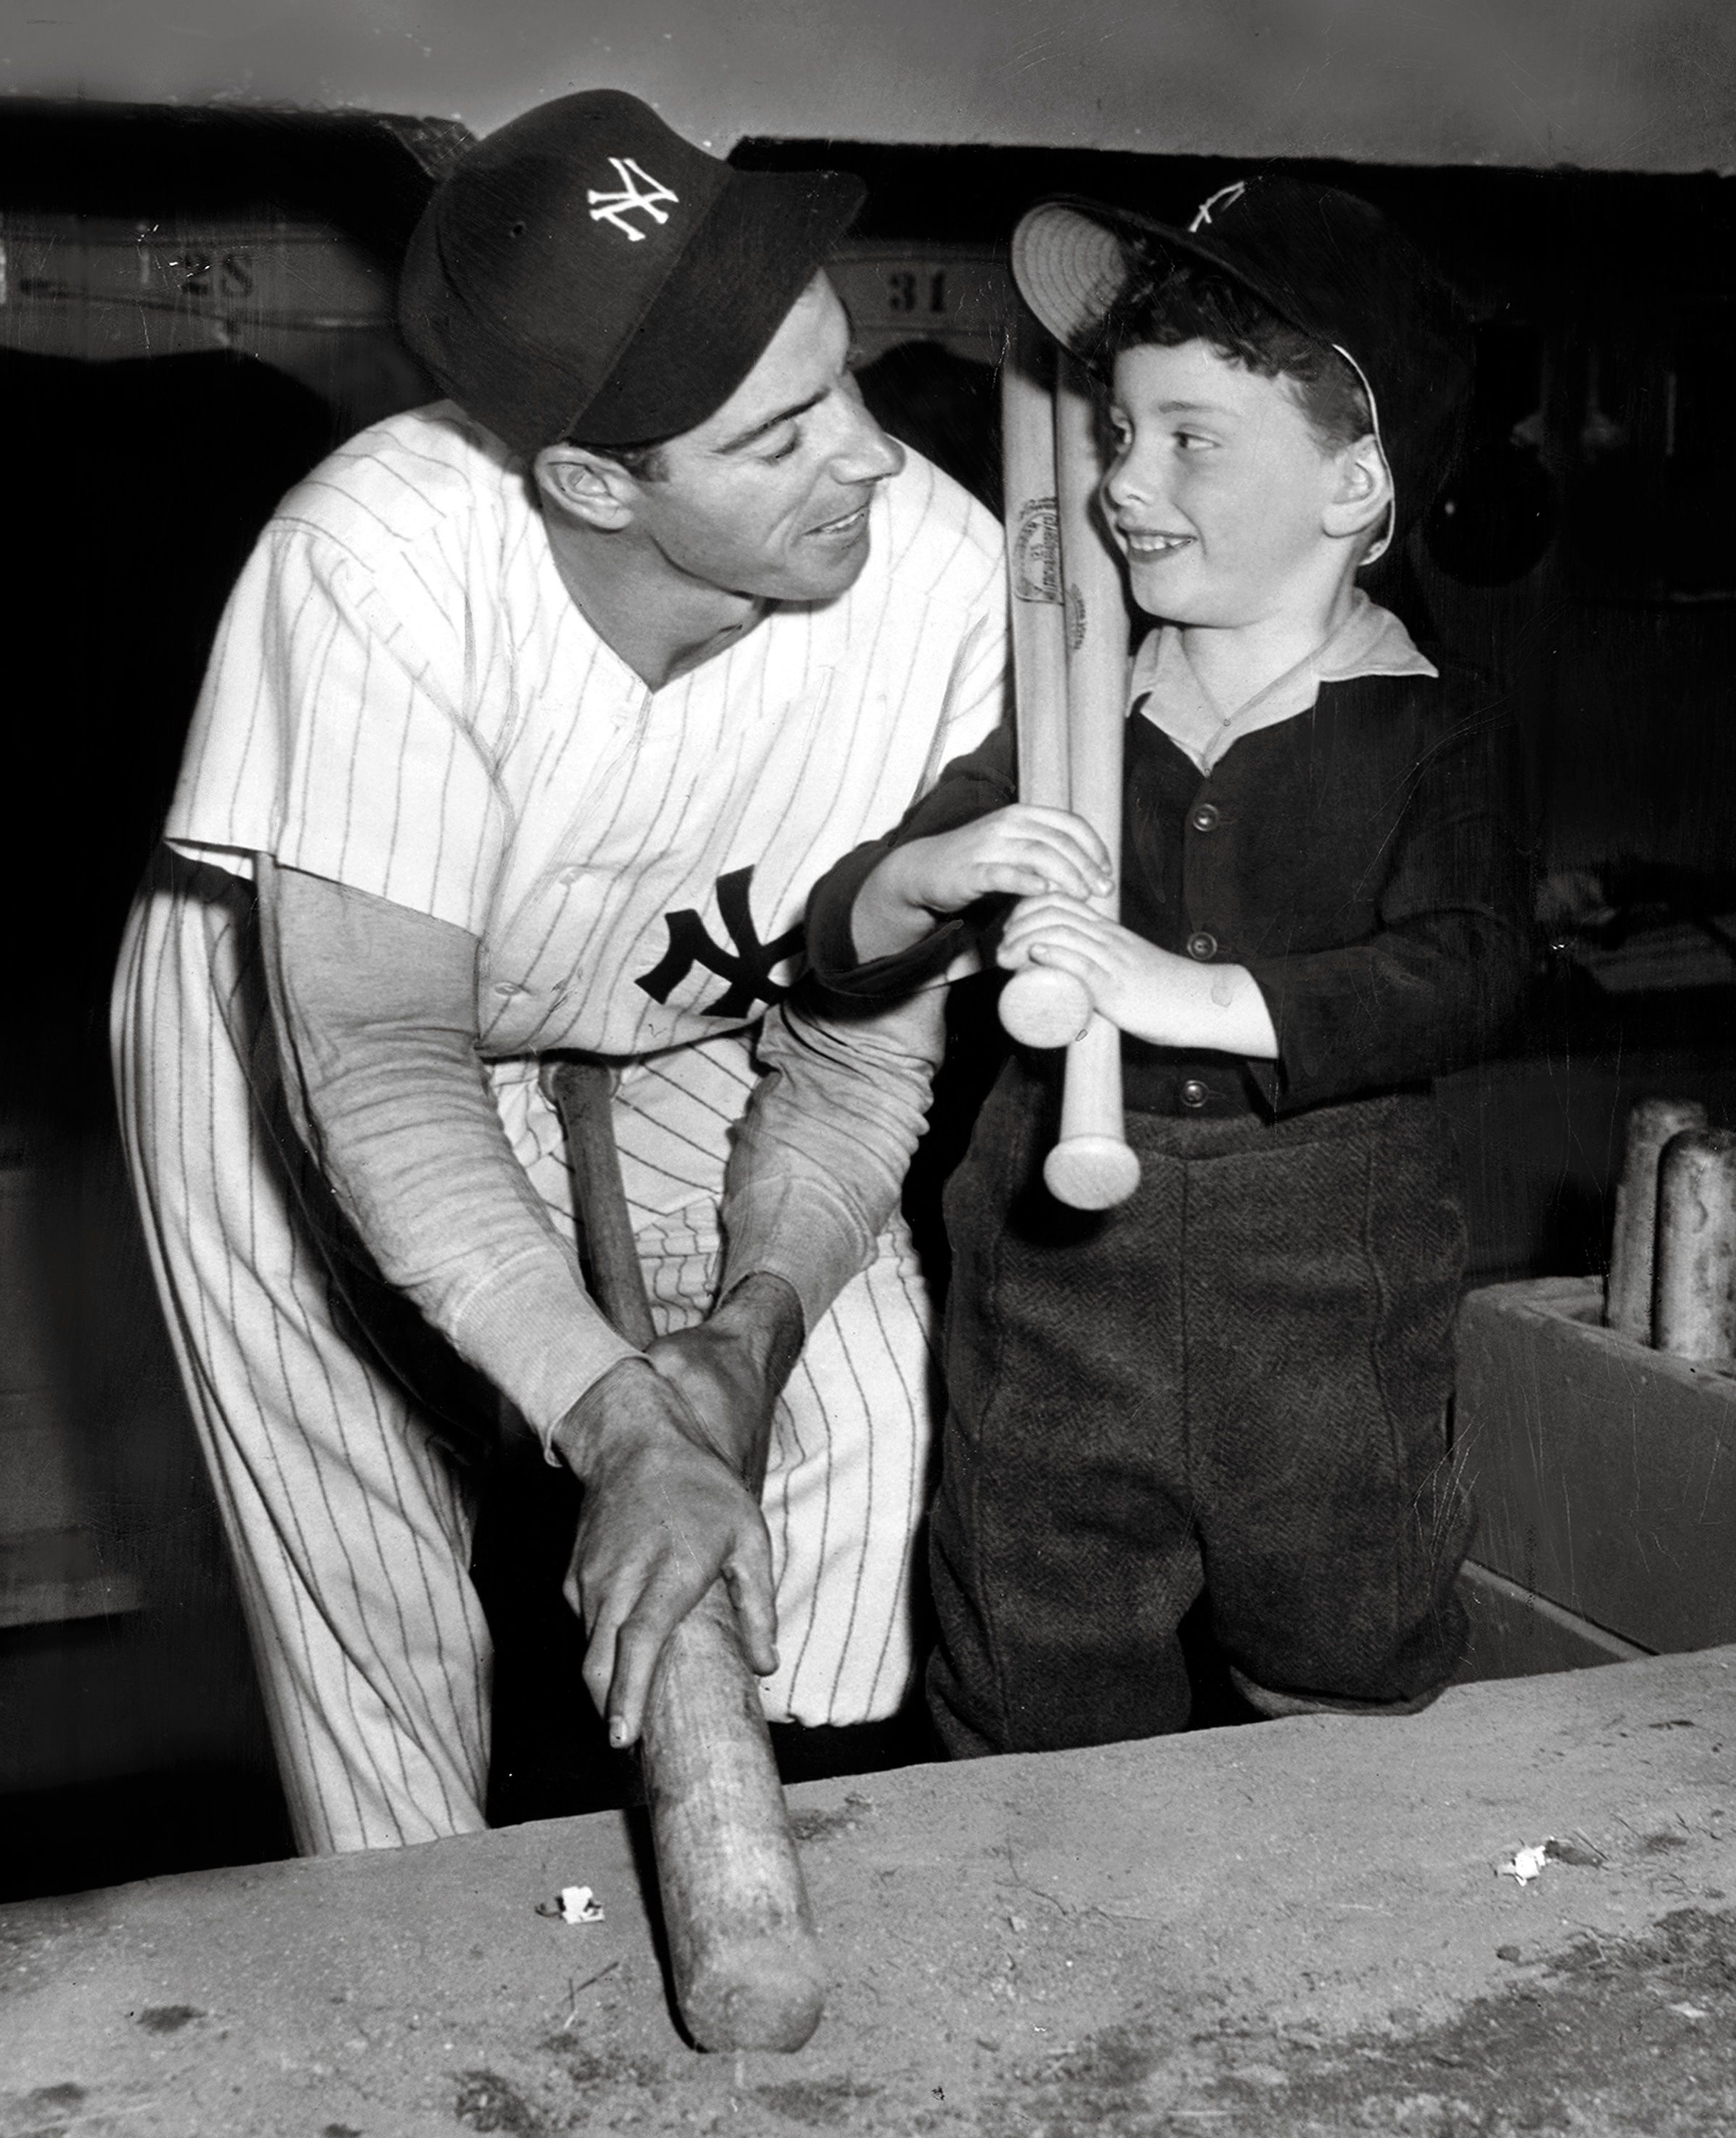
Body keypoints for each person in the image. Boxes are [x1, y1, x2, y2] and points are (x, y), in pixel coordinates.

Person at [111, 90, 1006, 1853]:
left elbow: (858, 1064)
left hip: (676, 1007)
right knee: (370, 1587)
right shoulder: (373, 568)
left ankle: (808, 1869)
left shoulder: (946, 583)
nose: (871, 460)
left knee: (854, 1409)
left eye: (847, 377)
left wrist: (743, 1342)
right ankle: (432, 1994)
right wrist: (610, 1419)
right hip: (295, 1011)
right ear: (594, 482)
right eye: (778, 439)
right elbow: (376, 1067)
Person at [795, 176, 1531, 1757]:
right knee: (1038, 1648)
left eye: (1192, 439)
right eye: (1118, 435)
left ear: (1353, 489)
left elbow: (1475, 971)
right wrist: (937, 873)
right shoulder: (1075, 706)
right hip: (1060, 1283)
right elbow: (838, 939)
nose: (1129, 483)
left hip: (1324, 1272)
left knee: (1348, 1646)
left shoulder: (1428, 726)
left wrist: (1177, 993)